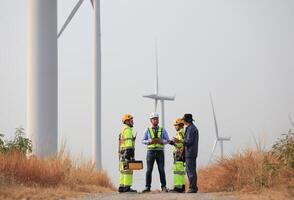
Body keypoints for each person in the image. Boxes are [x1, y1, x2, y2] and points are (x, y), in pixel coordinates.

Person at [142, 112, 169, 193]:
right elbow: (142, 140)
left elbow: (167, 140)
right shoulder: (147, 130)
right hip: (150, 152)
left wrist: (162, 141)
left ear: (158, 120)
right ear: (151, 120)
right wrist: (149, 141)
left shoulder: (162, 129)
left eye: (156, 119)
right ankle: (147, 187)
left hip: (160, 152)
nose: (155, 120)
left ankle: (163, 186)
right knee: (149, 170)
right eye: (153, 119)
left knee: (161, 169)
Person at [175, 113, 199, 193]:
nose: (183, 122)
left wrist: (180, 140)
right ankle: (193, 187)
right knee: (191, 170)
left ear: (186, 121)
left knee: (190, 171)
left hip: (190, 153)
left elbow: (189, 141)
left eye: (184, 120)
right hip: (191, 152)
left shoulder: (191, 129)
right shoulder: (191, 128)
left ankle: (193, 188)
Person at [118, 114, 137, 193]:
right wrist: (130, 152)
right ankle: (127, 187)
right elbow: (128, 141)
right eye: (131, 121)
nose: (132, 122)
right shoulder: (128, 130)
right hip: (127, 151)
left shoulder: (123, 130)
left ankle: (122, 186)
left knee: (123, 170)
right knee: (128, 170)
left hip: (122, 152)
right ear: (127, 121)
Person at [169, 118, 186, 193]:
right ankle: (182, 187)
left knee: (177, 171)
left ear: (180, 125)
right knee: (181, 171)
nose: (175, 126)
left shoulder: (181, 132)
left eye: (176, 125)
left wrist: (173, 142)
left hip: (179, 154)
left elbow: (182, 143)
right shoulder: (181, 132)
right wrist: (173, 143)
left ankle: (178, 187)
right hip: (180, 154)